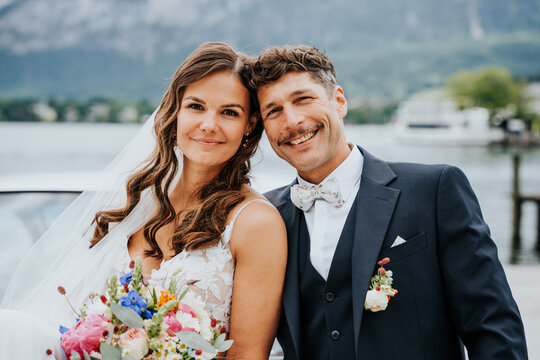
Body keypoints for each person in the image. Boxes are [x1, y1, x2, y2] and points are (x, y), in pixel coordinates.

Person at [0, 42, 287, 359]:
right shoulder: (136, 202)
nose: (209, 124)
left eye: (229, 112)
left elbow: (247, 355)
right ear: (175, 110)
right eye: (196, 106)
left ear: (249, 125)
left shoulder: (256, 222)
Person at [251, 45, 528, 360]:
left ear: (338, 101)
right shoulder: (264, 216)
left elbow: (493, 327)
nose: (292, 120)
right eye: (273, 111)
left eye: (303, 99)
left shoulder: (434, 190)